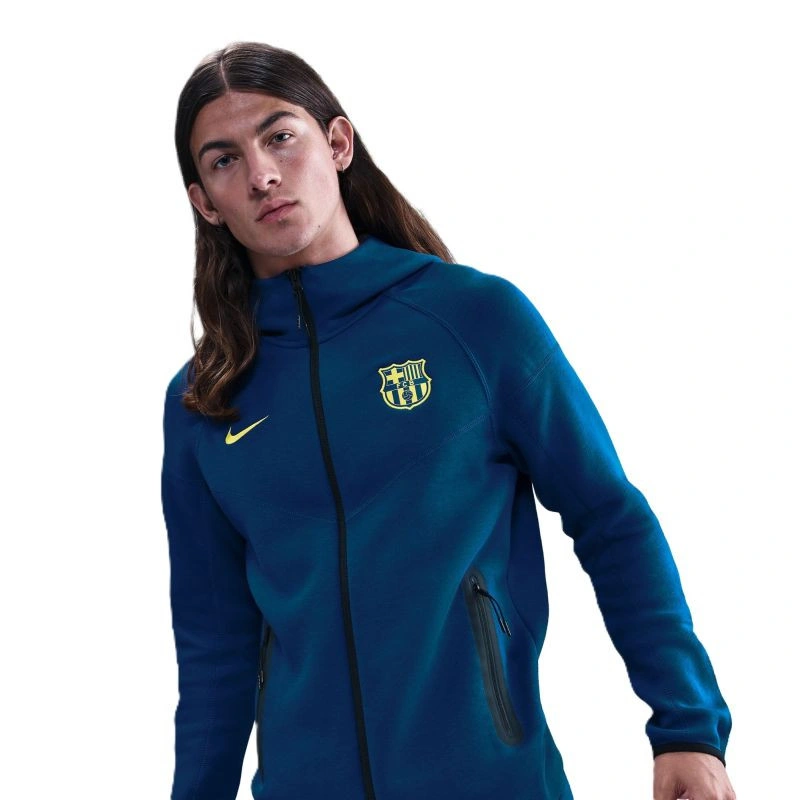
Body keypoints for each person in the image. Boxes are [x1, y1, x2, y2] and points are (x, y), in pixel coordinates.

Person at [161, 41, 736, 800]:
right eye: (225, 160)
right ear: (205, 200)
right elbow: (214, 643)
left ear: (338, 143)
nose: (262, 173)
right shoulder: (206, 400)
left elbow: (610, 517)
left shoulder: (473, 320)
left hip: (494, 781)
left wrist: (687, 725)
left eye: (280, 136)